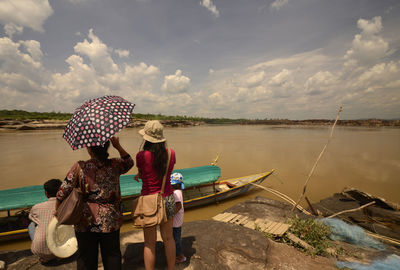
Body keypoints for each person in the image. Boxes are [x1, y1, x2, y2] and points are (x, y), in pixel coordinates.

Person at [56, 136, 133, 270]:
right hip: (110, 218)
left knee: (86, 258)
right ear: (106, 147)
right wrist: (118, 146)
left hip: (85, 219)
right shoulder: (115, 164)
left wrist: (56, 209)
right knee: (112, 255)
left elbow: (62, 192)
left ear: (90, 149)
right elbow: (130, 162)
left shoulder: (80, 167)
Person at [134, 120, 176, 270]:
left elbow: (145, 171)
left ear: (146, 138)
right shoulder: (171, 154)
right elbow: (163, 171)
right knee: (169, 238)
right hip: (168, 198)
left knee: (149, 243)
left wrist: (140, 174)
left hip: (148, 201)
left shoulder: (141, 156)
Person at [29, 179, 62, 263]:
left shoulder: (37, 207)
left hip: (40, 251)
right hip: (63, 251)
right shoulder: (67, 206)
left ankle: (45, 256)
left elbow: (31, 217)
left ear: (46, 193)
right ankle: (60, 256)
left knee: (31, 225)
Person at [170, 173, 186, 264]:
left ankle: (180, 256)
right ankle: (177, 253)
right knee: (176, 238)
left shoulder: (175, 193)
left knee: (176, 240)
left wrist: (170, 215)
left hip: (176, 221)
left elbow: (178, 206)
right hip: (178, 220)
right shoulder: (179, 191)